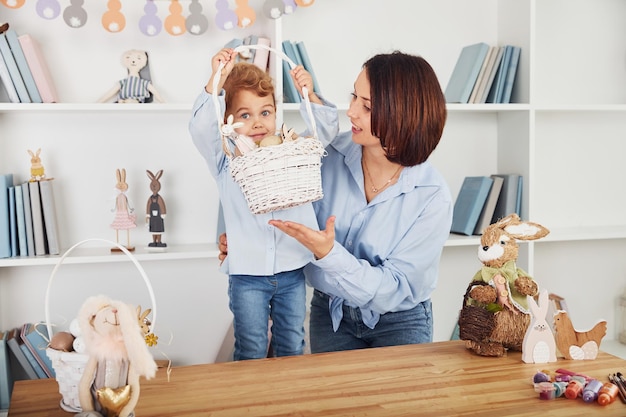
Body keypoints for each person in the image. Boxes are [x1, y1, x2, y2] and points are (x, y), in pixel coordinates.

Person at [219, 51, 452, 353]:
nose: (351, 112)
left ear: (402, 115)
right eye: (354, 96)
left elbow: (394, 288)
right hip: (330, 315)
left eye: (366, 106)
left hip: (400, 322)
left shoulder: (431, 196)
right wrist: (243, 236)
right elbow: (266, 195)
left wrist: (329, 254)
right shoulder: (321, 154)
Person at [189, 48, 338, 360]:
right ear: (227, 121)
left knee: (292, 347)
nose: (258, 122)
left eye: (265, 112)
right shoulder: (226, 158)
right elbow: (202, 129)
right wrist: (215, 81)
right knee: (251, 348)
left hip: (292, 271)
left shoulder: (291, 149)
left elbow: (324, 131)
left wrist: (309, 93)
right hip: (247, 276)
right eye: (245, 115)